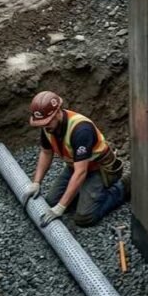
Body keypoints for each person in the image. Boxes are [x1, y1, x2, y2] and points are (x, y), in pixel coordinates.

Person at [23, 90, 129, 227]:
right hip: (76, 166)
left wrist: (61, 207)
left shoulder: (81, 130)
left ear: (58, 113)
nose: (44, 126)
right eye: (41, 123)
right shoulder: (48, 127)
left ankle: (123, 187)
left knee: (84, 218)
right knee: (50, 202)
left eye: (47, 122)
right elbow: (46, 152)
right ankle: (82, 192)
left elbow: (81, 172)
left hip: (99, 169)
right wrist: (36, 183)